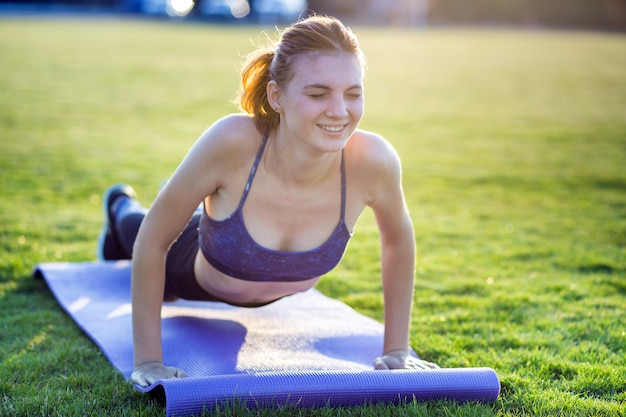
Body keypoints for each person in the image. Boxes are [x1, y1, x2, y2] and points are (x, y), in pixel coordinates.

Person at [97, 15, 438, 388]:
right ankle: (119, 205)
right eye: (318, 93)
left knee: (170, 212)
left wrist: (397, 349)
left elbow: (397, 241)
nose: (340, 110)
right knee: (137, 228)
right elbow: (154, 240)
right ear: (277, 96)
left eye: (353, 94)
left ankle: (175, 200)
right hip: (192, 266)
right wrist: (148, 360)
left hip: (235, 246)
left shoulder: (374, 161)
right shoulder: (231, 141)